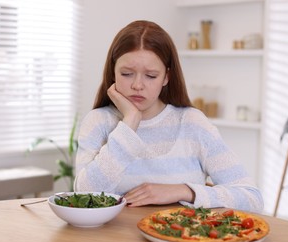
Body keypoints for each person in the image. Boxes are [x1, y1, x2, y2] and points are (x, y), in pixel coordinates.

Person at [74, 20, 263, 213]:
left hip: (180, 239)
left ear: (166, 77)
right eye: (127, 73)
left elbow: (252, 199)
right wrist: (130, 122)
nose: (137, 85)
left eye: (151, 76)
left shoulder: (192, 123)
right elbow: (84, 196)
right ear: (113, 72)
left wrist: (184, 191)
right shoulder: (98, 122)